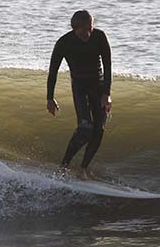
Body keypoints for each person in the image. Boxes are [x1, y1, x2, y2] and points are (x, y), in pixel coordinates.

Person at [46, 10, 112, 180]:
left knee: (99, 130)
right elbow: (53, 72)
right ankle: (64, 166)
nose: (88, 33)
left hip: (98, 86)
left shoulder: (99, 37)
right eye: (84, 30)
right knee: (85, 128)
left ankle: (82, 168)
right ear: (75, 28)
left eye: (90, 28)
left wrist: (107, 93)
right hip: (80, 88)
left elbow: (108, 66)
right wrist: (49, 98)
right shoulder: (64, 43)